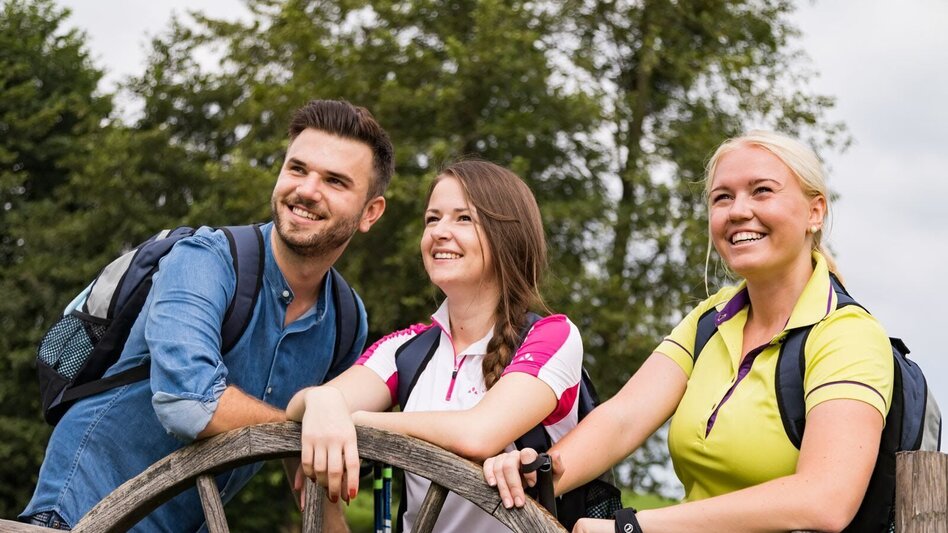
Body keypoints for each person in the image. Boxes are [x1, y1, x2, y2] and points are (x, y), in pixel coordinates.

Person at [483, 131, 894, 533]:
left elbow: (824, 499)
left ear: (815, 212)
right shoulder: (709, 321)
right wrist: (541, 470)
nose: (737, 211)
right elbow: (623, 419)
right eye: (723, 197)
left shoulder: (847, 335)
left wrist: (633, 526)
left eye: (762, 191)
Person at [20, 99, 394, 531]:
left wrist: (320, 439)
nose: (307, 190)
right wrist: (305, 420)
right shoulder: (204, 260)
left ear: (370, 212)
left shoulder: (347, 319)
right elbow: (189, 404)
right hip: (77, 517)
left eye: (334, 181)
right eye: (297, 169)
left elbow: (312, 469)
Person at [286, 160, 584, 532]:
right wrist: (323, 402)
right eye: (432, 219)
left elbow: (479, 434)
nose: (440, 232)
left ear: (508, 234)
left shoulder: (554, 336)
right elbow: (297, 409)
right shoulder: (404, 347)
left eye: (463, 218)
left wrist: (358, 422)